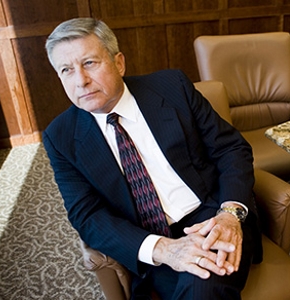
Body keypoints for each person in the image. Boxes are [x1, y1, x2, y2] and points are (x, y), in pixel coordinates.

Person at [42, 18, 262, 300]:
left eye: (89, 63)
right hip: (146, 242)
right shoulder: (60, 137)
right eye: (66, 70)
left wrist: (230, 215)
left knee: (203, 287)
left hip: (210, 219)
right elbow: (86, 215)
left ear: (118, 63)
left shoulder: (173, 88)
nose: (80, 81)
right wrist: (163, 249)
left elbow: (231, 149)